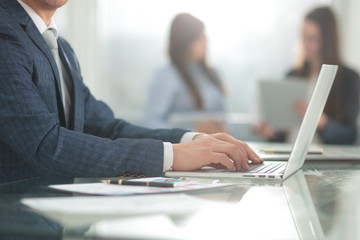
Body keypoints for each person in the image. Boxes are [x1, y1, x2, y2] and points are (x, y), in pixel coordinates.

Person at [0, 0, 263, 184]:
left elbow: (107, 127)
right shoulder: (5, 33)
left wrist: (190, 140)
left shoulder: (62, 49)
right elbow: (46, 146)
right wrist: (170, 156)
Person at [255, 6, 359, 145]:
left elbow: (349, 136)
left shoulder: (348, 78)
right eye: (303, 36)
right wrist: (270, 133)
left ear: (327, 41)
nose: (305, 44)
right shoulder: (292, 75)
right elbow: (286, 134)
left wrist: (317, 119)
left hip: (326, 160)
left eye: (312, 38)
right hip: (289, 155)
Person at [144, 13, 226, 134]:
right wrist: (192, 132)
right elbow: (150, 123)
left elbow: (224, 116)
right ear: (185, 41)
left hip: (217, 145)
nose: (206, 41)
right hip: (187, 147)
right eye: (199, 37)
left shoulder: (212, 74)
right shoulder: (167, 76)